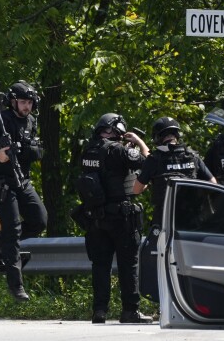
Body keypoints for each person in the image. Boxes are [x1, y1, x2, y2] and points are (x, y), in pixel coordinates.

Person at [0, 81, 47, 302]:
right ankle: (17, 286)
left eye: (29, 102)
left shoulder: (31, 121)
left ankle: (0, 240)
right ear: (13, 102)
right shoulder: (2, 119)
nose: (26, 106)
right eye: (23, 102)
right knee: (13, 231)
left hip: (23, 181)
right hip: (2, 182)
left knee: (39, 220)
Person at [78, 113, 153, 324]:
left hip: (95, 217)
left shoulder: (87, 150)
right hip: (120, 216)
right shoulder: (118, 150)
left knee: (100, 265)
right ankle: (130, 311)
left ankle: (99, 311)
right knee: (128, 265)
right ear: (116, 130)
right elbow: (149, 162)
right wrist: (138, 142)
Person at [133, 116, 217, 226]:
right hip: (192, 220)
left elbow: (136, 190)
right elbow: (213, 184)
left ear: (157, 137)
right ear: (177, 135)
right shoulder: (193, 156)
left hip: (165, 220)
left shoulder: (153, 160)